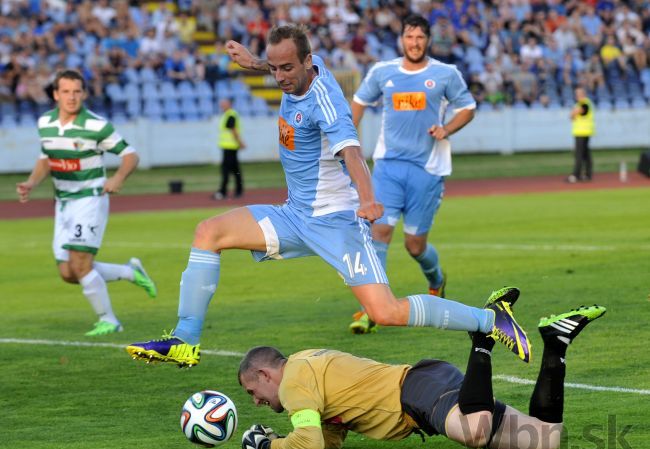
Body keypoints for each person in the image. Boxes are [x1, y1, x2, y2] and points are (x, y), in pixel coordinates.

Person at [125, 25, 528, 368]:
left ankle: (490, 319)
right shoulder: (301, 72)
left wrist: (368, 200)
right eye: (276, 67)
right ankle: (184, 341)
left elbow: (352, 152)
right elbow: (282, 66)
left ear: (307, 62)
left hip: (336, 221)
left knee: (384, 312)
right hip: (294, 215)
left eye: (287, 68)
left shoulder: (326, 104)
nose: (280, 76)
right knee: (208, 231)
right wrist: (255, 63)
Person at [237, 301, 607, 449]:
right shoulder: (305, 363)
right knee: (547, 438)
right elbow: (330, 439)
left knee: (474, 431)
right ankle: (556, 342)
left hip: (416, 391)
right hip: (427, 385)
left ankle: (482, 337)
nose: (256, 401)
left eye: (253, 391)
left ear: (266, 374)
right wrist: (283, 437)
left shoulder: (293, 384)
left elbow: (311, 443)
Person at [349, 14, 476, 334]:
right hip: (388, 167)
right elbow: (359, 102)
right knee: (379, 233)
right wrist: (346, 139)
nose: (414, 43)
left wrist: (446, 128)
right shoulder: (383, 72)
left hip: (427, 171)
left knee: (415, 246)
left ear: (428, 40)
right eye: (409, 37)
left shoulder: (446, 74)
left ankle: (437, 280)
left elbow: (468, 107)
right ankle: (371, 307)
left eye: (420, 37)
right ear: (401, 39)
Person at [16, 69, 157, 336]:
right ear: (56, 94)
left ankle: (109, 320)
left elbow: (130, 155)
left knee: (80, 264)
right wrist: (32, 182)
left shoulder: (96, 126)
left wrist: (118, 178)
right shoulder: (45, 122)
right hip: (63, 203)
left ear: (84, 93)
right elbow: (46, 158)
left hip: (91, 199)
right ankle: (129, 272)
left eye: (76, 91)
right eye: (66, 91)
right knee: (68, 272)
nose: (71, 97)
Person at [214, 98, 245, 200]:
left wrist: (240, 143)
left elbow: (233, 130)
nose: (222, 105)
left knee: (226, 170)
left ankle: (223, 192)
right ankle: (239, 190)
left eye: (224, 103)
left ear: (229, 104)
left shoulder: (230, 115)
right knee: (235, 170)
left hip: (229, 147)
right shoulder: (227, 114)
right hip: (228, 146)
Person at [567, 86, 595, 183]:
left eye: (578, 94)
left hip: (582, 132)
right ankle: (587, 174)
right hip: (583, 132)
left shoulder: (585, 103)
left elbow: (573, 114)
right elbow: (572, 116)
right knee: (585, 154)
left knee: (579, 154)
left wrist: (573, 113)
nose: (577, 96)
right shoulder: (581, 104)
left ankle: (576, 174)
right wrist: (573, 114)